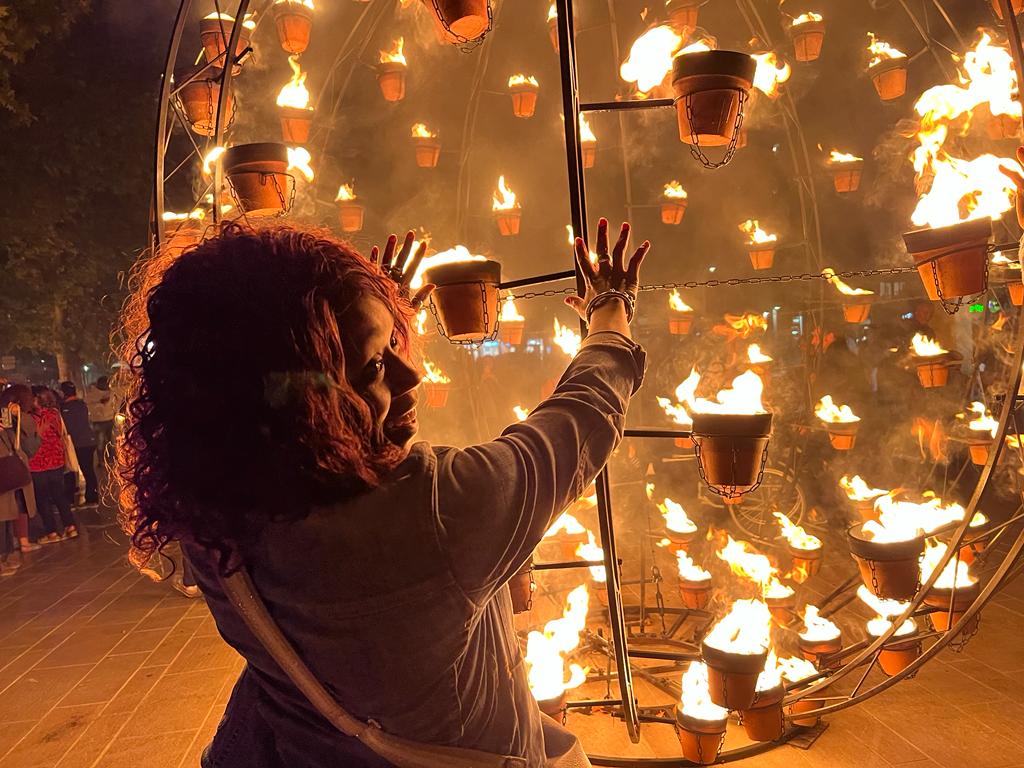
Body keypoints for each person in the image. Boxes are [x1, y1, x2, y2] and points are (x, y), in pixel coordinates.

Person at [117, 221, 648, 768]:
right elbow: (579, 420)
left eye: (395, 341)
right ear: (303, 403)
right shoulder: (438, 512)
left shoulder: (209, 523)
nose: (412, 373)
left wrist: (358, 316)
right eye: (375, 364)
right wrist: (609, 310)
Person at [28, 386, 77, 542]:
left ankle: (52, 532)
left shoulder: (31, 418)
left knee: (42, 498)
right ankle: (70, 526)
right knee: (59, 495)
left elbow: (35, 435)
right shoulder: (55, 413)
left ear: (39, 399)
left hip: (37, 462)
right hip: (56, 461)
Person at [1, 388, 41, 574]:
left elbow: (29, 437)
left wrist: (18, 415)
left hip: (10, 469)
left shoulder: (11, 414)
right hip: (4, 470)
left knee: (10, 513)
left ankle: (6, 554)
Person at [59, 381, 98, 506]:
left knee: (70, 471)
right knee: (88, 470)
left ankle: (70, 499)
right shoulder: (82, 404)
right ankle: (92, 497)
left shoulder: (64, 407)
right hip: (88, 442)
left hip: (74, 444)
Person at [86, 375, 118, 465]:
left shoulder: (111, 392)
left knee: (111, 441)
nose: (107, 385)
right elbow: (89, 405)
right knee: (100, 442)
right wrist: (100, 402)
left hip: (110, 420)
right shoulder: (92, 394)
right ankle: (101, 460)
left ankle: (111, 459)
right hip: (98, 422)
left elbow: (114, 404)